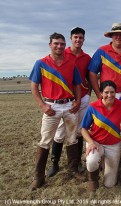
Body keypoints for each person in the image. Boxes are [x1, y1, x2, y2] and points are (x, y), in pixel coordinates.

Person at [29, 32, 84, 190]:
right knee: (45, 140)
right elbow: (34, 86)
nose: (59, 46)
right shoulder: (41, 63)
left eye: (61, 44)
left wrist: (78, 101)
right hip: (50, 106)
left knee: (72, 138)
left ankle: (73, 170)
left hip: (69, 105)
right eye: (56, 44)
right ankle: (38, 177)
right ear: (50, 45)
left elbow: (77, 85)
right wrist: (42, 105)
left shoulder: (70, 64)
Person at [47, 27, 91, 177]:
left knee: (78, 131)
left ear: (84, 39)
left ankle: (76, 162)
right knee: (60, 132)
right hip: (64, 100)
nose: (78, 40)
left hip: (82, 98)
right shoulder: (62, 53)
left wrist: (88, 93)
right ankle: (54, 163)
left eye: (80, 38)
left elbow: (90, 75)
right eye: (75, 37)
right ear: (71, 39)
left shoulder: (86, 57)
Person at [81, 80, 121, 191]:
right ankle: (93, 179)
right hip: (96, 143)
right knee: (91, 161)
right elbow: (83, 129)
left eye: (112, 92)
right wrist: (91, 143)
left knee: (109, 184)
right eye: (106, 92)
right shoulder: (93, 107)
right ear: (101, 93)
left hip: (113, 145)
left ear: (116, 93)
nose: (109, 95)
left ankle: (104, 164)